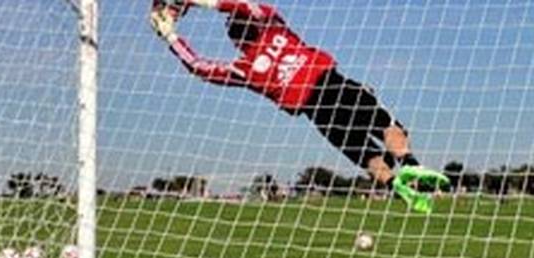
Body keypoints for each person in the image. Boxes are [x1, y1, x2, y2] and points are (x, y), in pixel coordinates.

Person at [149, 0, 446, 212]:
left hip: (316, 113)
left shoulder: (245, 68)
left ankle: (397, 185)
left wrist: (170, 36)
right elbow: (241, 6)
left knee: (363, 153)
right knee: (384, 124)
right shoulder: (276, 28)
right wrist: (201, 3)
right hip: (334, 84)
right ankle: (411, 164)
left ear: (236, 42)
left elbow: (200, 67)